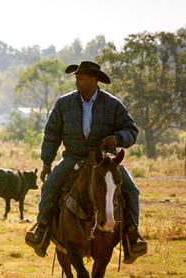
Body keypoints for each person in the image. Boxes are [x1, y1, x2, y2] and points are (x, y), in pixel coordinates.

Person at [24, 60, 148, 264]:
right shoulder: (64, 103)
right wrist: (47, 162)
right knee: (51, 185)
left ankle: (132, 236)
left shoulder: (113, 104)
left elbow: (131, 130)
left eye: (81, 77)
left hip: (105, 159)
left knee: (131, 191)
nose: (77, 81)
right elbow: (52, 134)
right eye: (77, 77)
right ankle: (42, 230)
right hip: (74, 157)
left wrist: (117, 139)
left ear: (93, 80)